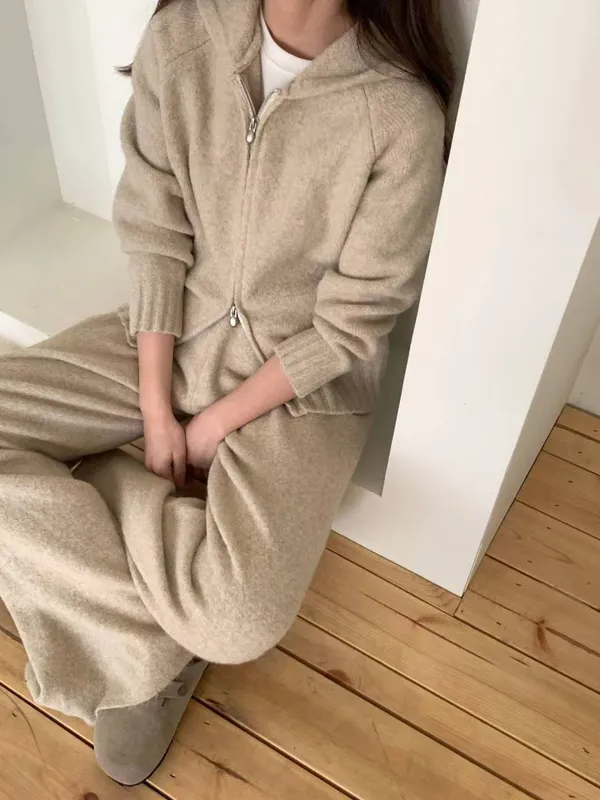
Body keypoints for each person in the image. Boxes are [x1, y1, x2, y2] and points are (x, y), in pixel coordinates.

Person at [0, 0, 453, 786]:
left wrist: (210, 426)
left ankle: (105, 494)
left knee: (239, 618)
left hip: (299, 389)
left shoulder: (399, 114)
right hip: (167, 334)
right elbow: (155, 233)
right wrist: (155, 410)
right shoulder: (183, 35)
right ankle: (152, 639)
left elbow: (350, 326)